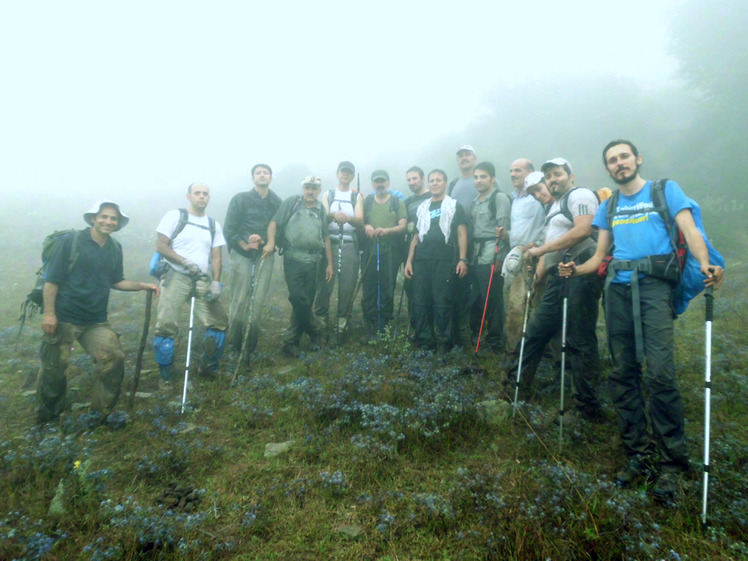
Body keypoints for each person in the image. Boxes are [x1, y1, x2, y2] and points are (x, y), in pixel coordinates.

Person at [559, 140, 724, 499]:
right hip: (616, 290)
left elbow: (690, 230)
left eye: (623, 157)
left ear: (637, 159)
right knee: (623, 372)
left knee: (661, 372)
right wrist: (576, 268)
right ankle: (639, 453)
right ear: (608, 169)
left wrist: (705, 261)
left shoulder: (664, 190)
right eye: (612, 161)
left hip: (654, 288)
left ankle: (672, 466)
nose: (619, 164)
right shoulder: (609, 205)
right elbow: (600, 255)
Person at [37, 201, 158, 424]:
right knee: (55, 367)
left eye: (113, 219)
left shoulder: (114, 248)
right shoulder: (71, 242)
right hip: (64, 316)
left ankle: (101, 413)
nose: (108, 222)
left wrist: (143, 285)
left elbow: (116, 281)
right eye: (104, 217)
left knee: (114, 358)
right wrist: (49, 314)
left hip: (95, 320)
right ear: (93, 218)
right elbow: (51, 281)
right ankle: (49, 417)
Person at [512, 158, 603, 420]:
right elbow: (553, 245)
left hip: (582, 269)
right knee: (536, 331)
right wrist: (540, 268)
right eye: (549, 175)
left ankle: (586, 406)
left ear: (570, 175)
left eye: (558, 174)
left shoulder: (580, 195)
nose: (553, 179)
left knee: (579, 338)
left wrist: (541, 250)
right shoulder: (553, 207)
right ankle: (516, 388)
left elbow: (584, 230)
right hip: (558, 273)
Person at [153, 183, 229, 384]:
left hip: (202, 279)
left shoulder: (213, 225)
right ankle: (166, 375)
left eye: (205, 194)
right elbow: (161, 245)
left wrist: (216, 282)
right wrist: (184, 261)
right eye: (197, 193)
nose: (202, 197)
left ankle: (209, 366)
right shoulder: (174, 216)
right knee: (166, 325)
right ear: (189, 196)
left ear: (209, 198)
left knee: (218, 322)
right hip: (176, 276)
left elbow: (216, 256)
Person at [264, 176, 333, 357]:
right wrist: (271, 242)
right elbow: (274, 223)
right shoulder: (291, 203)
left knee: (305, 302)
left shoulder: (320, 210)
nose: (310, 191)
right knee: (297, 298)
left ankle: (291, 342)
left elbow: (326, 238)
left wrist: (330, 264)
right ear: (303, 188)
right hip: (293, 259)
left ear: (319, 191)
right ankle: (317, 329)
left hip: (314, 262)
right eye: (307, 187)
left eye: (314, 188)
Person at [404, 169, 469, 352]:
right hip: (421, 260)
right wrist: (409, 261)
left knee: (442, 300)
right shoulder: (422, 207)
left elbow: (462, 233)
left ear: (445, 183)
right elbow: (415, 237)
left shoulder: (455, 206)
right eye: (432, 180)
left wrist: (462, 259)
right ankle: (425, 341)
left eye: (438, 180)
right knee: (421, 300)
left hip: (444, 259)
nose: (434, 183)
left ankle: (443, 342)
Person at [223, 164, 282, 361]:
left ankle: (250, 346)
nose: (262, 175)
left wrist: (266, 242)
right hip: (242, 254)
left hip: (265, 254)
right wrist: (245, 245)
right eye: (258, 172)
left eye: (266, 173)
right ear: (252, 178)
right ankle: (234, 344)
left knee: (256, 302)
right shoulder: (240, 199)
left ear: (271, 178)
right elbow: (229, 229)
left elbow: (280, 230)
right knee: (239, 301)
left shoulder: (277, 202)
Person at [314, 161, 364, 331]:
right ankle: (320, 319)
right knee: (325, 282)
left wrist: (347, 218)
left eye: (349, 172)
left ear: (352, 175)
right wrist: (334, 215)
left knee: (347, 285)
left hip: (349, 243)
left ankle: (342, 322)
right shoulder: (328, 194)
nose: (345, 175)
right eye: (343, 172)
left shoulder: (356, 196)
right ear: (337, 174)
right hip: (330, 243)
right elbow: (323, 217)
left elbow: (361, 221)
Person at [504, 170, 549, 350]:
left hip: (544, 256)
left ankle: (542, 351)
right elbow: (519, 228)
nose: (513, 173)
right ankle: (514, 351)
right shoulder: (515, 199)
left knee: (541, 307)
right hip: (520, 255)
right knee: (516, 306)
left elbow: (552, 227)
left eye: (517, 170)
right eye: (511, 170)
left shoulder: (548, 200)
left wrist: (539, 244)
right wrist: (506, 235)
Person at [469, 162, 511, 352]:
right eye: (476, 177)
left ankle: (495, 341)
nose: (478, 180)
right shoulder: (475, 201)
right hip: (476, 256)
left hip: (492, 255)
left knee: (493, 299)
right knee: (477, 298)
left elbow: (503, 230)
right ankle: (479, 334)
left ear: (493, 178)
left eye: (483, 176)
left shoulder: (499, 198)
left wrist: (500, 258)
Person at [361, 170, 407, 336]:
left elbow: (403, 226)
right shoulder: (367, 202)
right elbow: (362, 221)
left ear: (388, 182)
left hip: (390, 251)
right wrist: (366, 226)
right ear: (372, 183)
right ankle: (370, 324)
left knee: (388, 287)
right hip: (370, 250)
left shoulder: (397, 202)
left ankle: (385, 324)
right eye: (376, 181)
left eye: (382, 181)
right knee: (369, 288)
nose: (379, 184)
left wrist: (386, 230)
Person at [448, 145, 480, 345]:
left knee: (479, 288)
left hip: (480, 242)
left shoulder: (482, 179)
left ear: (475, 158)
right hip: (458, 243)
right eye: (460, 156)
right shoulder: (453, 184)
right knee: (459, 286)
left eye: (467, 154)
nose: (464, 158)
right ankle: (460, 329)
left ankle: (479, 330)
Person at [403, 166, 431, 333]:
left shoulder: (433, 197)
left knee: (427, 290)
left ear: (422, 178)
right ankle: (415, 325)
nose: (412, 182)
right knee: (411, 289)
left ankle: (428, 327)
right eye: (409, 180)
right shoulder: (407, 202)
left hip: (429, 251)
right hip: (411, 250)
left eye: (415, 178)